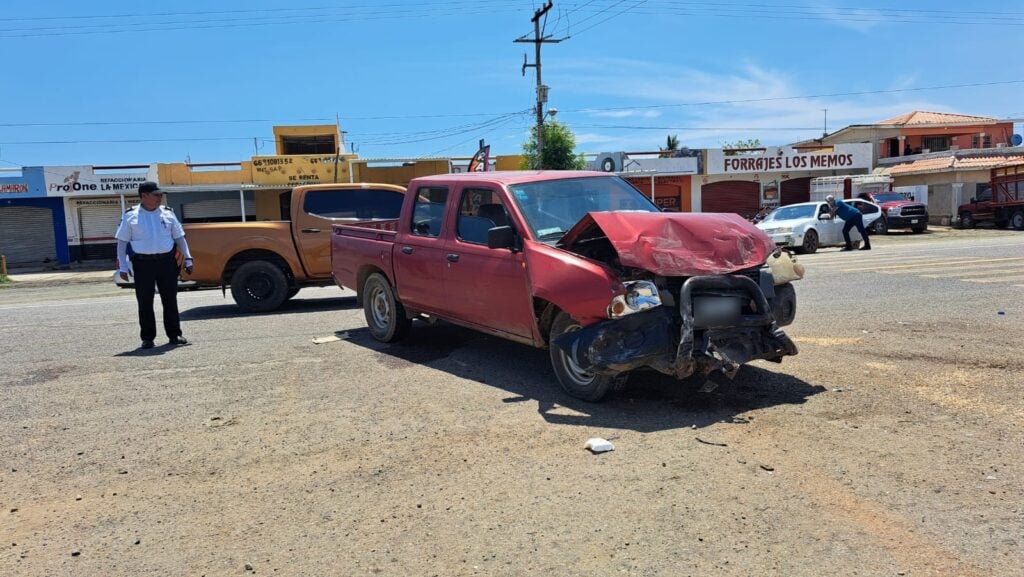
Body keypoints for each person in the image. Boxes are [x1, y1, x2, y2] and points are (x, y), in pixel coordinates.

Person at [115, 182, 194, 349]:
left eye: (160, 195)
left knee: (170, 300)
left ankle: (175, 335)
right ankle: (148, 338)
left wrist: (188, 258)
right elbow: (122, 243)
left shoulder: (168, 213)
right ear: (144, 196)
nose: (159, 197)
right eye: (155, 194)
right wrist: (122, 266)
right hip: (143, 264)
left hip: (166, 262)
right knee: (145, 301)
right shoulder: (131, 215)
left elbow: (180, 238)